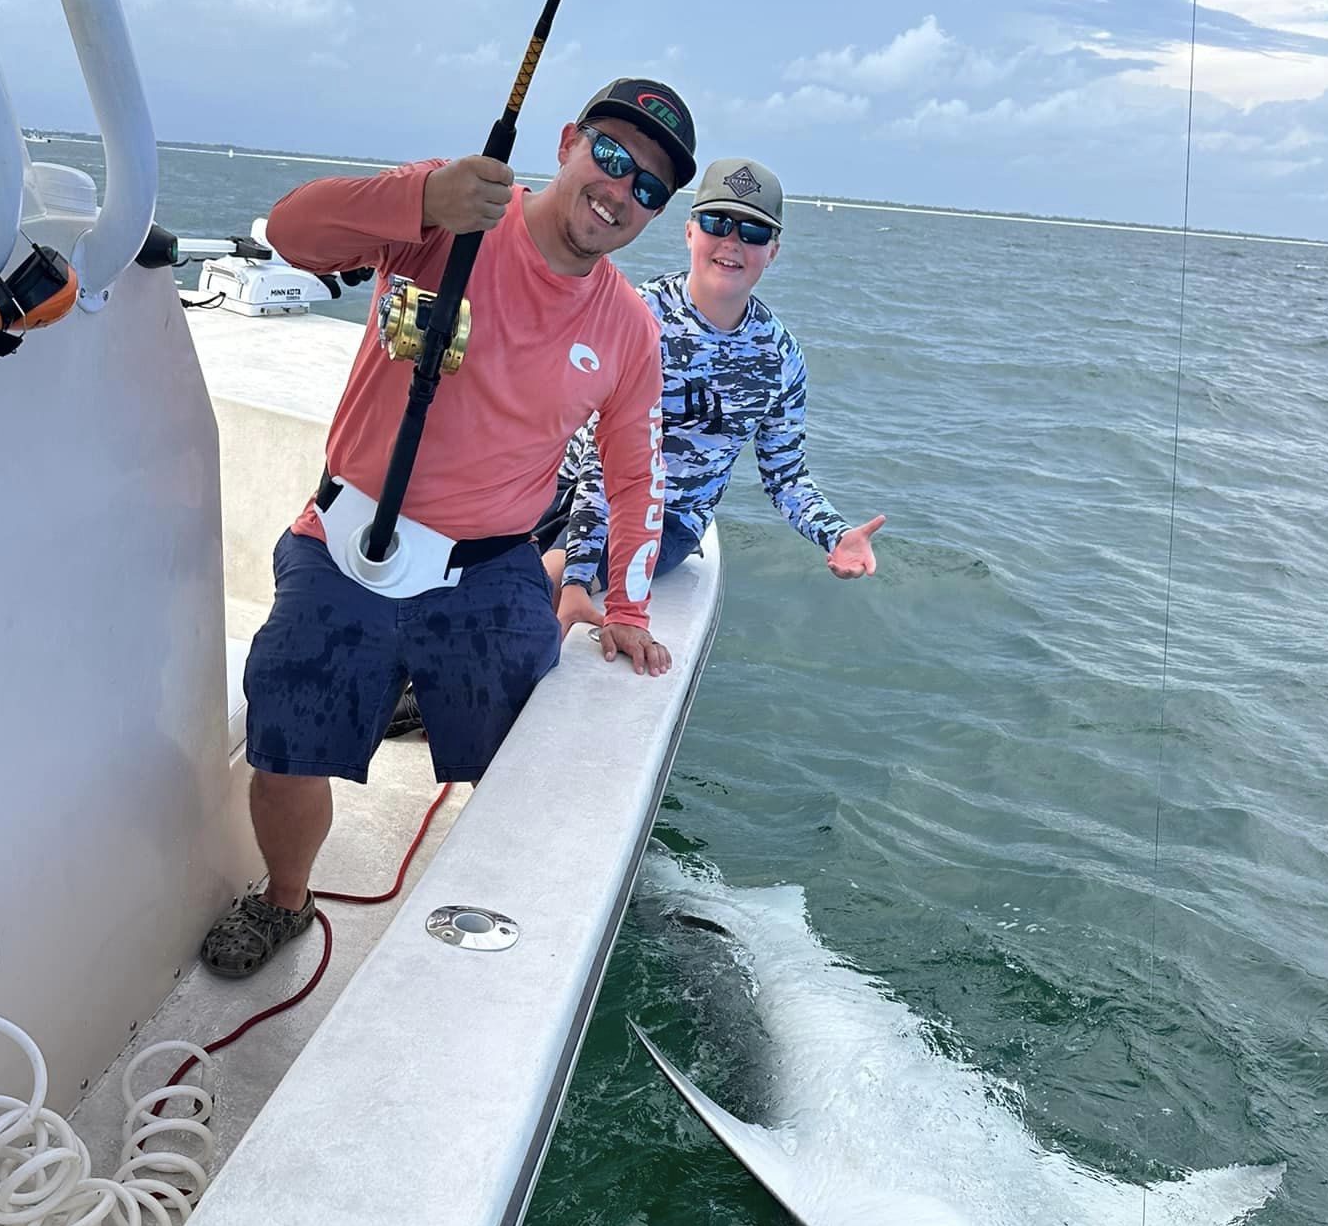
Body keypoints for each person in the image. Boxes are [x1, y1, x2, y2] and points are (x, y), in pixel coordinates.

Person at [200, 77, 697, 978]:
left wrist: (627, 605)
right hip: (348, 540)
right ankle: (285, 897)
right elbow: (291, 232)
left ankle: (499, 907)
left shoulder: (629, 327)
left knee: (527, 753)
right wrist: (418, 197)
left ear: (657, 212)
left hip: (491, 567)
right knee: (283, 740)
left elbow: (635, 474)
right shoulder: (452, 209)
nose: (620, 190)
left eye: (649, 187)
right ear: (566, 143)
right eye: (612, 157)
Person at [542, 156, 885, 639]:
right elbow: (600, 451)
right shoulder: (635, 315)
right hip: (570, 481)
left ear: (774, 251)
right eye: (717, 222)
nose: (732, 242)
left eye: (754, 232)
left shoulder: (780, 357)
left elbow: (785, 476)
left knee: (542, 579)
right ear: (689, 232)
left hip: (667, 520)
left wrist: (835, 534)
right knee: (481, 557)